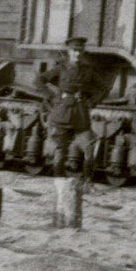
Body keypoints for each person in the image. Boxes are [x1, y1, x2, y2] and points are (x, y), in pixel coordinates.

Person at [38, 35, 96, 175]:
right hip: (62, 114)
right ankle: (59, 181)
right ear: (69, 51)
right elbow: (39, 80)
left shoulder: (87, 69)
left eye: (80, 50)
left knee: (89, 147)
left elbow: (103, 87)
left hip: (80, 114)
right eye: (75, 50)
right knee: (60, 150)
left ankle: (87, 181)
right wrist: (52, 96)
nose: (78, 53)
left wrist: (92, 100)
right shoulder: (61, 68)